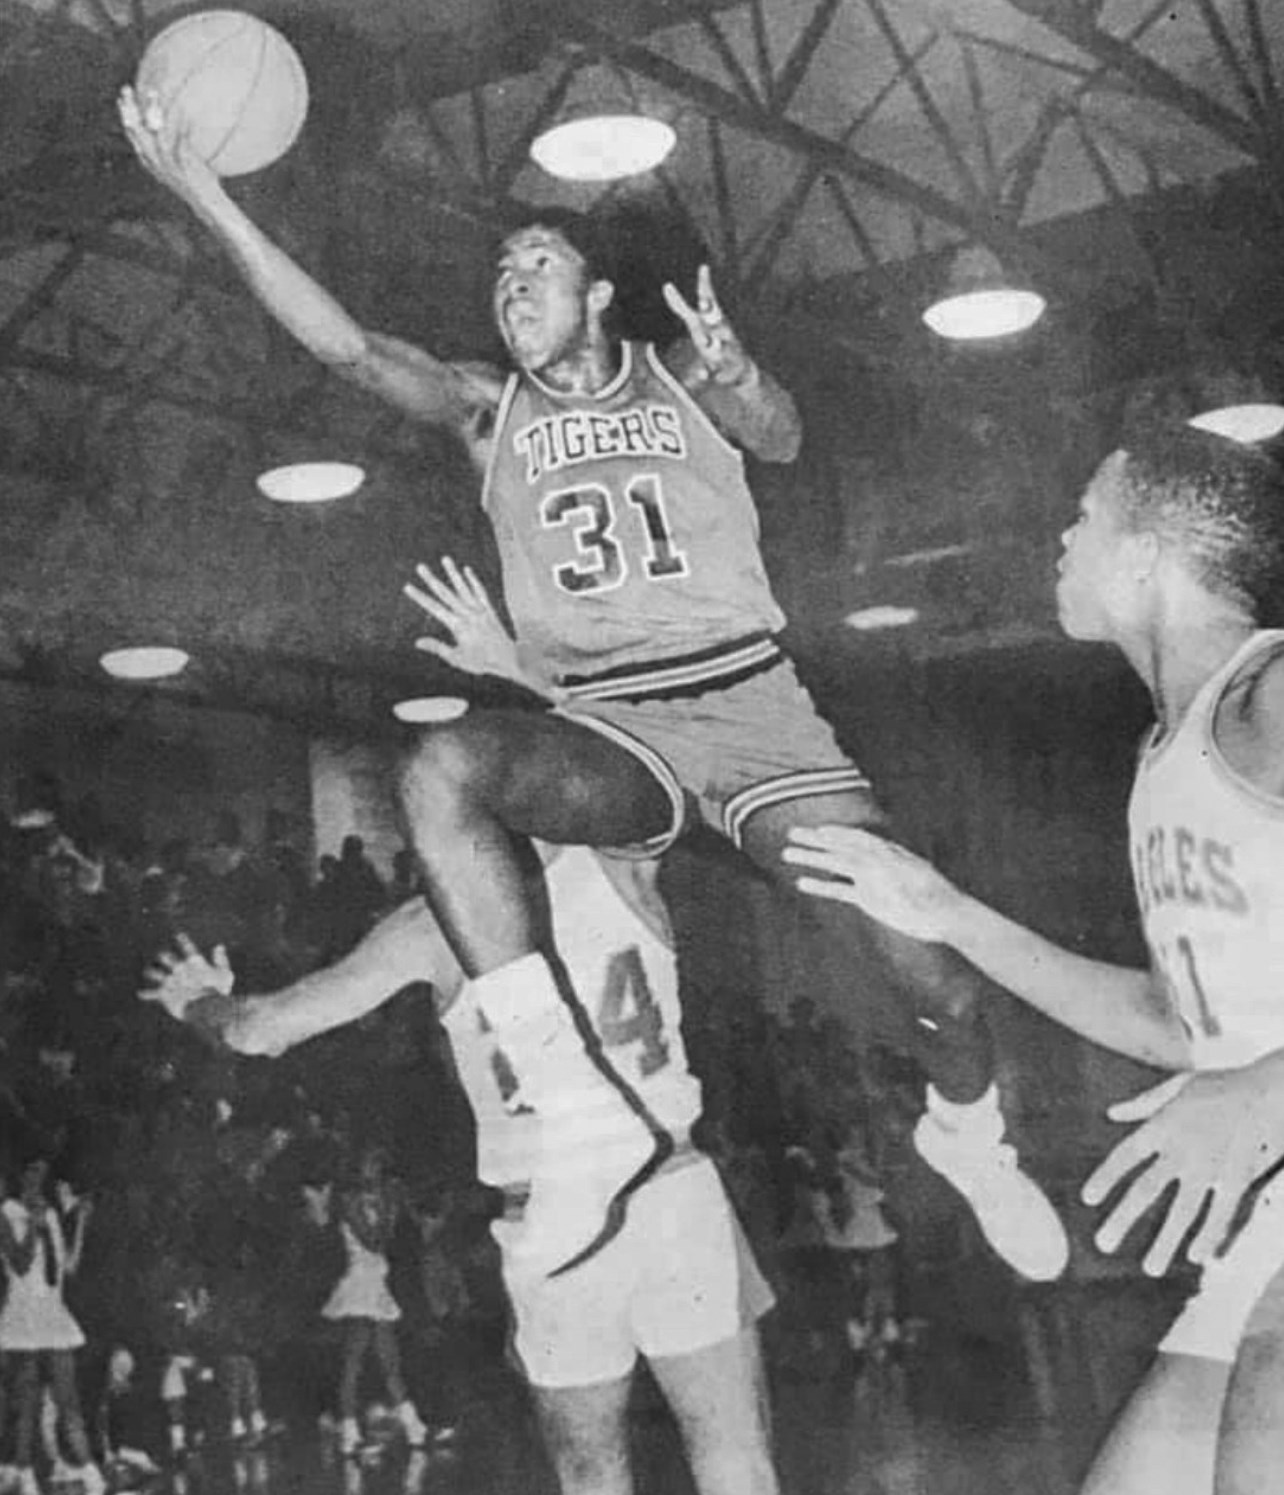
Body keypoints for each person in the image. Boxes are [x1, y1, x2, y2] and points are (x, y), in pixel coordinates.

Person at [117, 86, 1067, 1284]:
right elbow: (346, 347)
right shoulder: (487, 408)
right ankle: (574, 1112)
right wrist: (206, 195)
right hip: (616, 728)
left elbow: (778, 434)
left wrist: (740, 372)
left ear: (598, 294)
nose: (513, 288)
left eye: (539, 266)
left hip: (756, 711)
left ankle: (970, 1135)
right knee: (445, 766)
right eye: (502, 275)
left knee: (934, 974)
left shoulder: (680, 375)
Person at [782, 425, 1284, 1495]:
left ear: (1145, 557)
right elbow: (1173, 1021)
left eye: (1086, 514)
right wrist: (954, 914)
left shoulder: (1271, 694)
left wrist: (1264, 1084)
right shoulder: (1172, 750)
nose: (1062, 536)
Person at [140, 839, 780, 1495]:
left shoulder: (430, 922)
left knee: (591, 1475)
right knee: (734, 1455)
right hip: (669, 1189)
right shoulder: (617, 858)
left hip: (551, 1220)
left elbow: (257, 1030)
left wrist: (199, 1002)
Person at [0, 1160, 104, 1495]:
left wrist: (81, 1221)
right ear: (21, 1176)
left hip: (53, 1317)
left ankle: (89, 1471)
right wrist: (34, 1224)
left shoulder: (52, 1215)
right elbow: (20, 1262)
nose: (38, 1179)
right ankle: (25, 1474)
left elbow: (67, 1267)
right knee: (27, 1403)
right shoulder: (7, 1213)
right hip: (24, 1319)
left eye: (42, 1174)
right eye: (32, 1171)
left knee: (67, 1399)